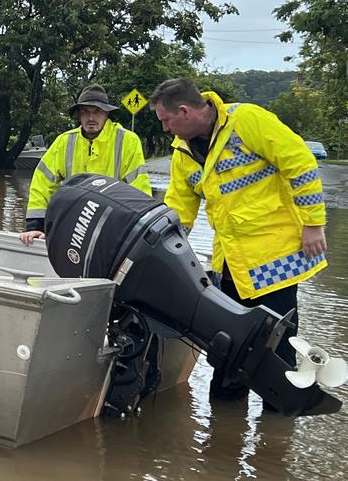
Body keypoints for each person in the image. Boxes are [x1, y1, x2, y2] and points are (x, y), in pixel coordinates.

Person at [149, 78, 327, 401]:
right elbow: (179, 208)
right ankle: (224, 422)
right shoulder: (183, 153)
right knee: (228, 348)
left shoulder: (246, 121)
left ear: (185, 111)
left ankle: (279, 413)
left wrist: (313, 224)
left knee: (278, 346)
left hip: (275, 260)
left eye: (166, 120)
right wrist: (160, 250)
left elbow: (299, 161)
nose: (164, 129)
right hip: (231, 263)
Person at [20, 84, 152, 245]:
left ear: (106, 114)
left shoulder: (127, 141)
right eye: (85, 112)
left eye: (97, 112)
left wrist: (139, 231)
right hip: (73, 226)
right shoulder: (64, 141)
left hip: (112, 227)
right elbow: (42, 184)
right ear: (79, 115)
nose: (91, 118)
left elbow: (139, 189)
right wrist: (36, 226)